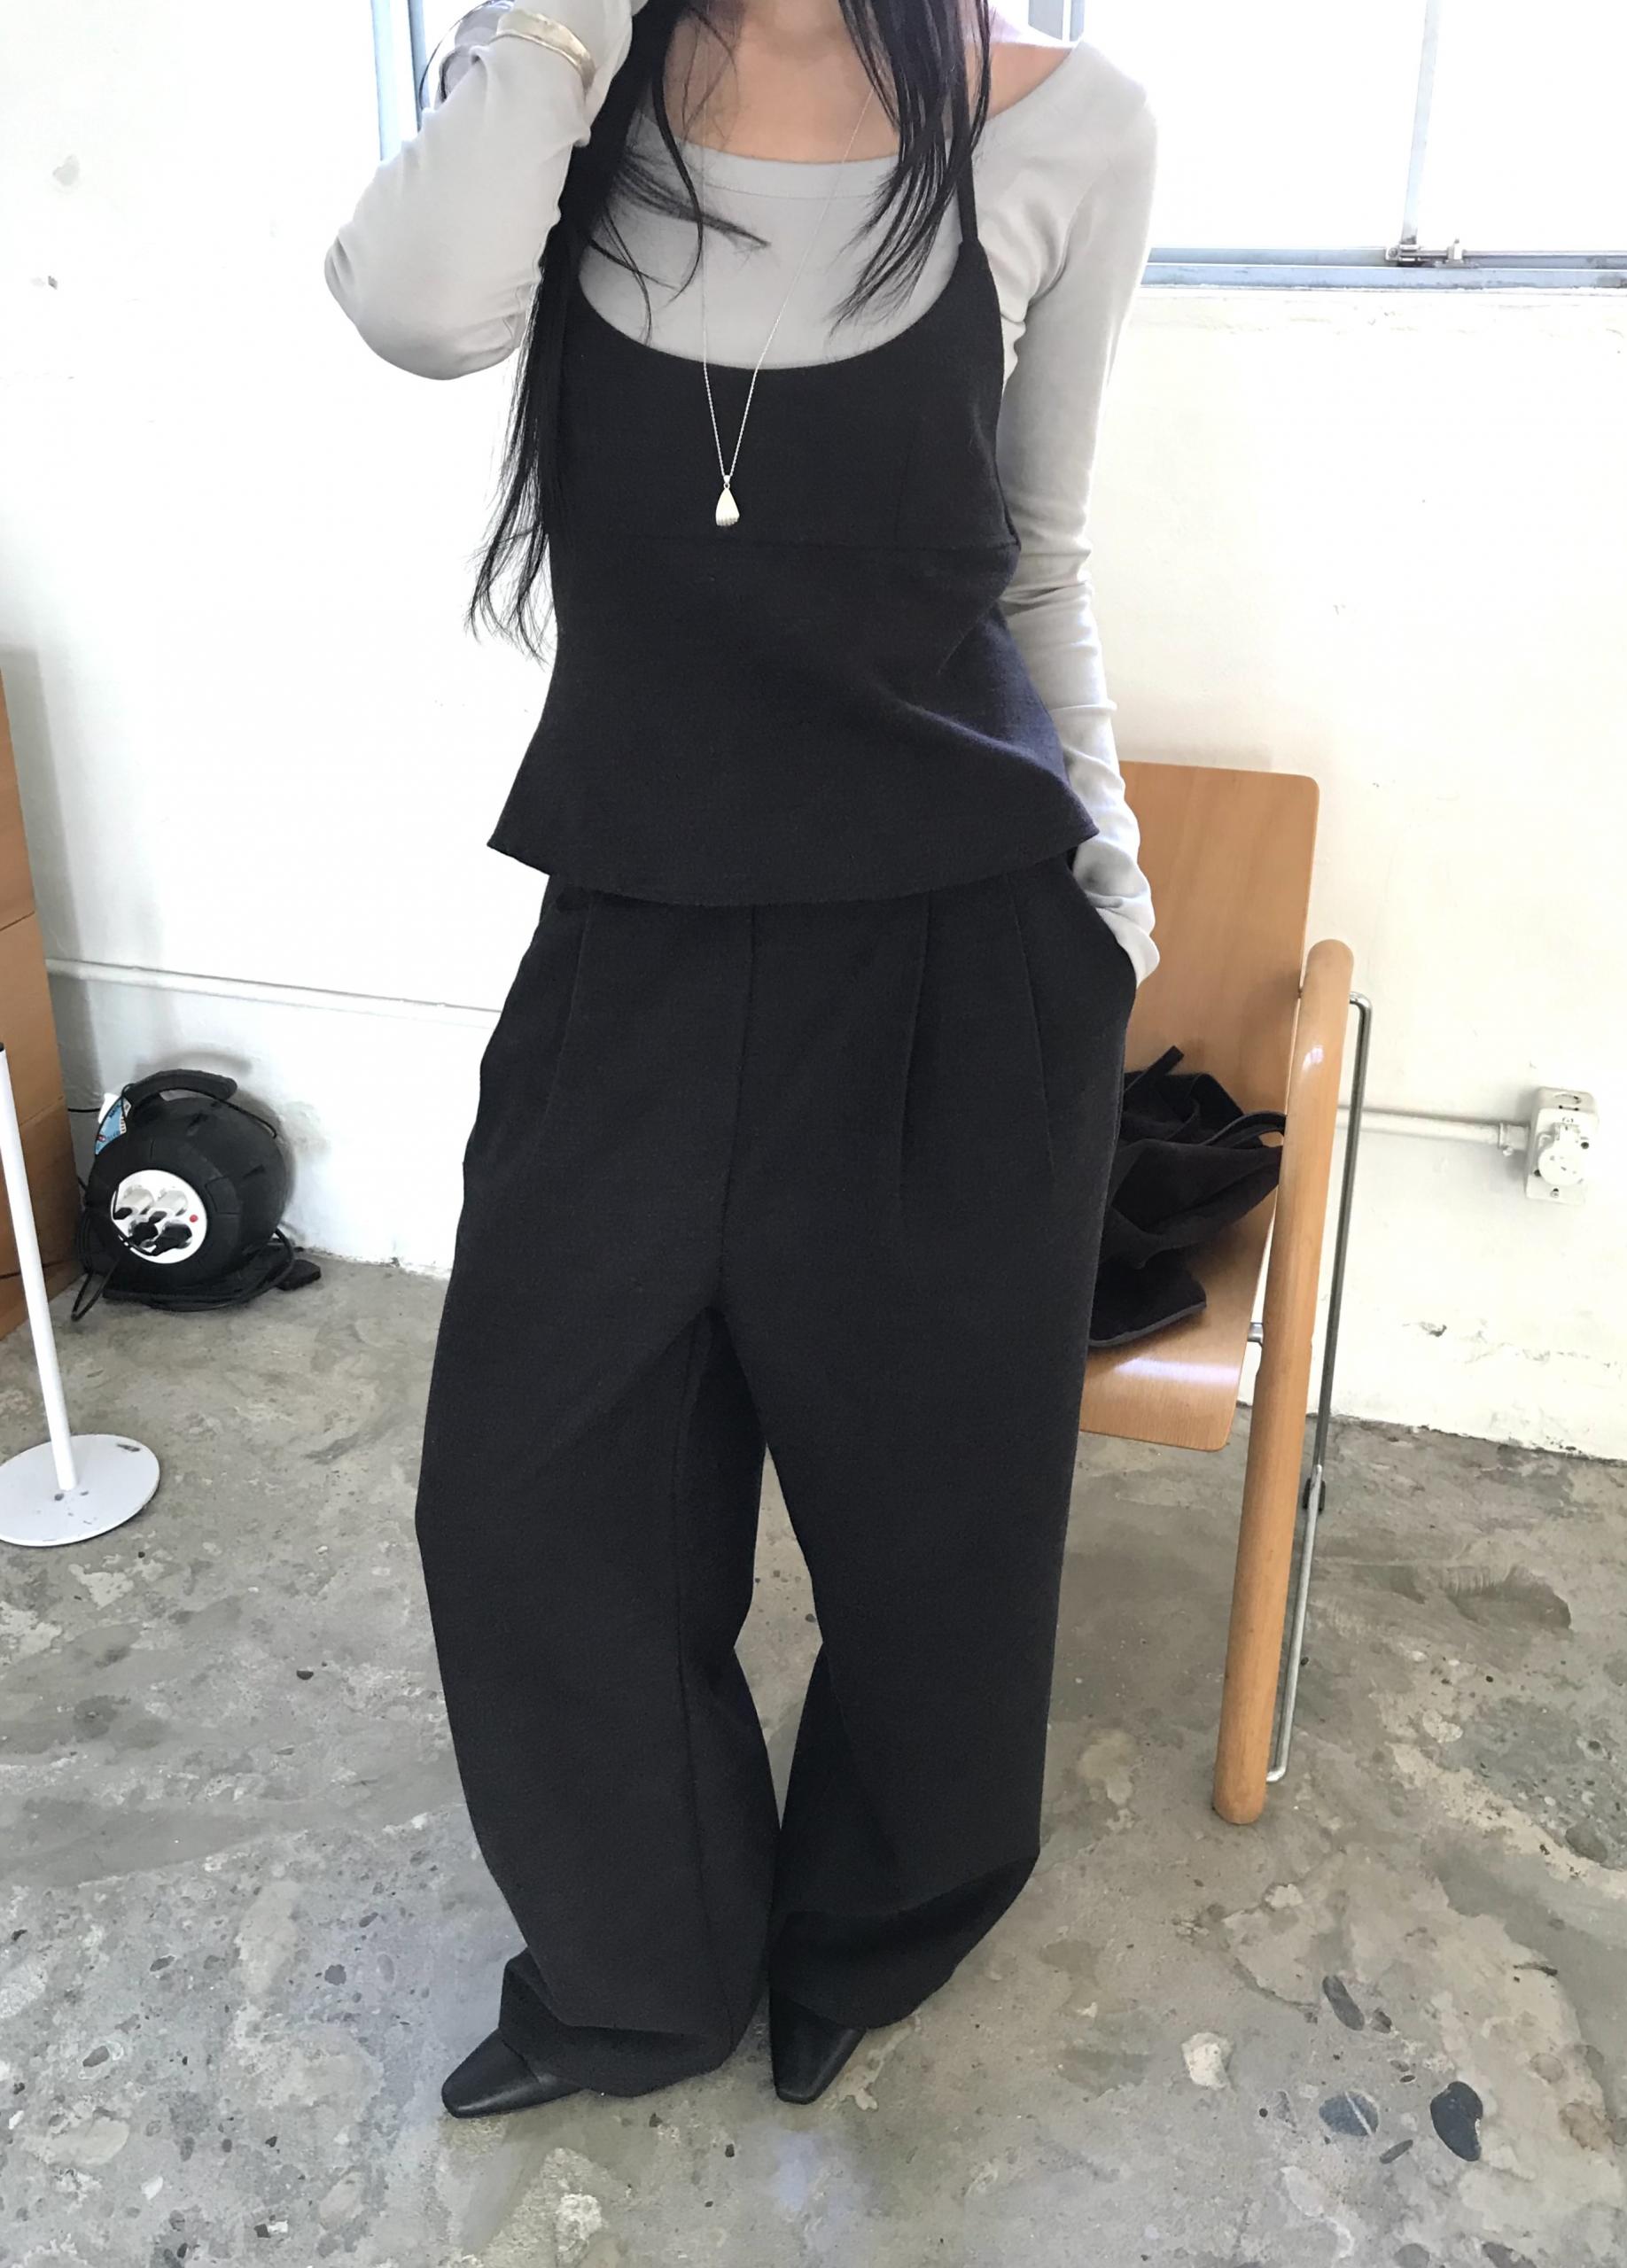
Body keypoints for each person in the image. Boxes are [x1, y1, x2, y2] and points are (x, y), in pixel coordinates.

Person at [325, 0, 1159, 2118]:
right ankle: (641, 1970)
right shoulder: (562, 93)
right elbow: (417, 310)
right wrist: (552, 28)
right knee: (526, 1508)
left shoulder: (1067, 128)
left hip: (958, 948)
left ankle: (873, 1927)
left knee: (935, 1521)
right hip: (636, 932)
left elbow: (1043, 552)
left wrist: (1111, 891)